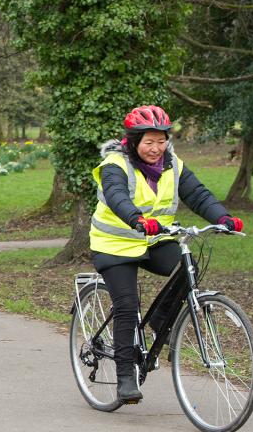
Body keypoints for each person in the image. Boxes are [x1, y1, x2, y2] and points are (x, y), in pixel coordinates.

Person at [90, 105, 244, 403]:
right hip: (114, 245)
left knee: (188, 269)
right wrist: (135, 217)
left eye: (161, 141)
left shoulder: (173, 164)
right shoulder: (115, 165)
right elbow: (116, 194)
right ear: (134, 141)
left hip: (155, 240)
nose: (156, 148)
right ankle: (125, 378)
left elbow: (198, 194)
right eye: (149, 142)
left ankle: (160, 323)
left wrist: (223, 218)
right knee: (127, 306)